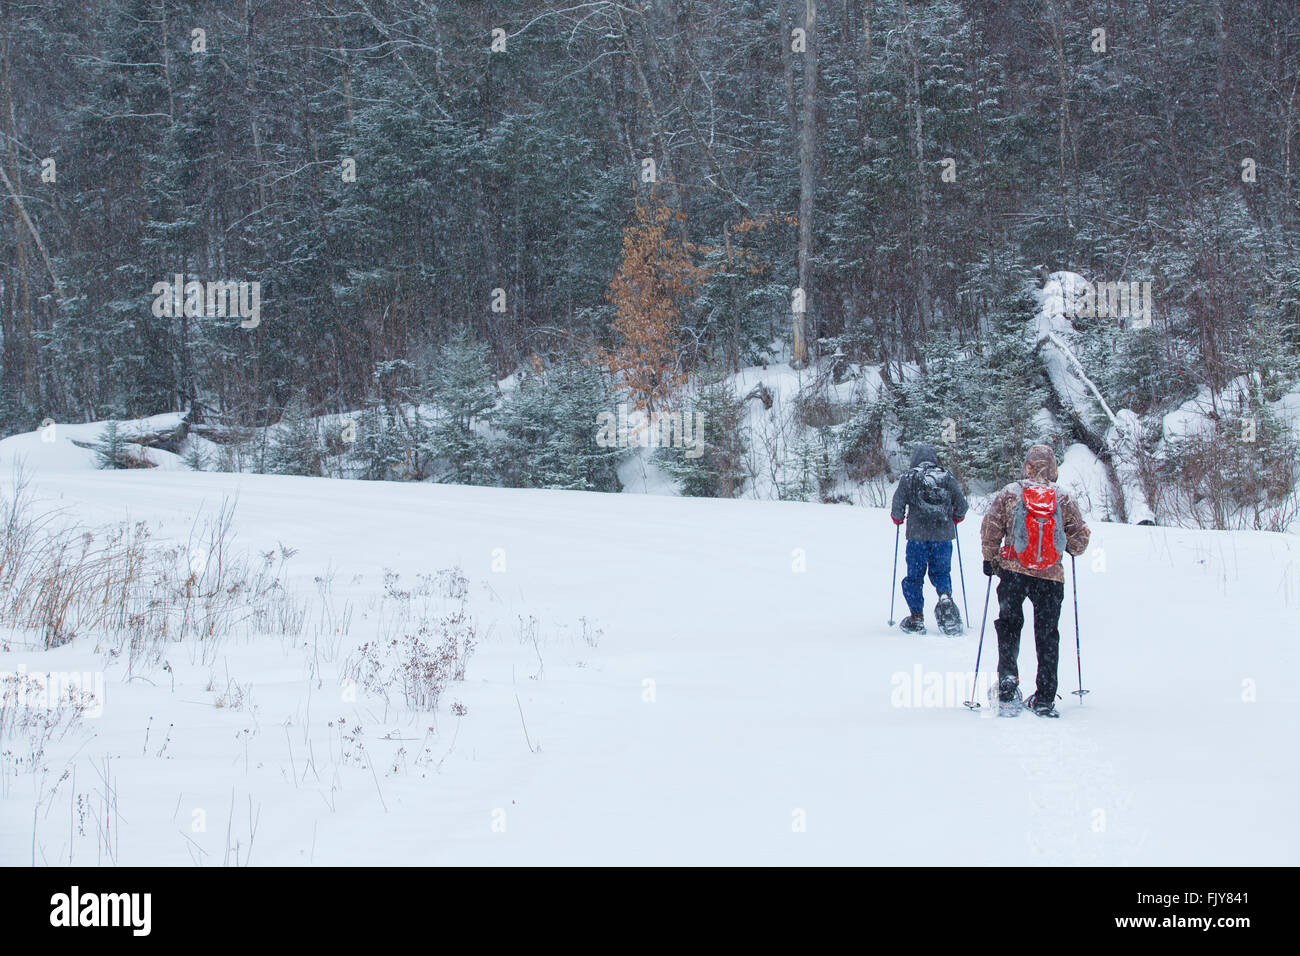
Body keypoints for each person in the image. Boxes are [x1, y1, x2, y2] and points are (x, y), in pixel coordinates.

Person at [979, 445, 1090, 717]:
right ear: (1053, 467)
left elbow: (990, 526)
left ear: (1027, 465)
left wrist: (989, 558)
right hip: (1051, 578)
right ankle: (1045, 696)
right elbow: (1078, 543)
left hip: (1014, 572)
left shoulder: (1011, 492)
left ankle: (1007, 684)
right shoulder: (1063, 498)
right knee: (1047, 633)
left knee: (1009, 626)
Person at [890, 443, 969, 635]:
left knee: (914, 577)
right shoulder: (946, 477)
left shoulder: (909, 478)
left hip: (917, 537)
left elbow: (897, 507)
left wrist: (898, 518)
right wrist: (955, 518)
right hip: (943, 537)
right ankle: (945, 599)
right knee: (942, 572)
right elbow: (962, 506)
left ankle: (916, 617)